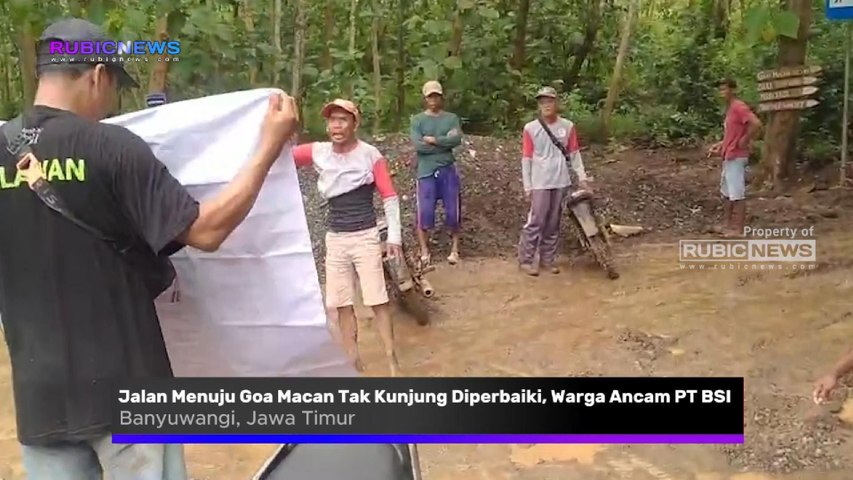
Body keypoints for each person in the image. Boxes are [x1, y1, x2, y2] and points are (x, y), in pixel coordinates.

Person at [0, 18, 298, 480]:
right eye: (115, 86)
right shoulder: (111, 147)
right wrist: (268, 145)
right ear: (98, 74)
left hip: (40, 398)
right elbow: (207, 231)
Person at [292, 99, 403, 377]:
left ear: (355, 124)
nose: (336, 125)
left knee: (377, 300)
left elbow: (389, 195)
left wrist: (394, 237)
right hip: (336, 237)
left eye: (343, 119)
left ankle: (392, 362)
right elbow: (282, 156)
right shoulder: (319, 152)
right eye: (332, 120)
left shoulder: (369, 154)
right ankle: (353, 362)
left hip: (365, 235)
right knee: (340, 303)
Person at [518, 86, 589, 277]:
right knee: (536, 220)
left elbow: (574, 154)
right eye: (542, 102)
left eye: (549, 101)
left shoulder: (567, 126)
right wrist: (527, 185)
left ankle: (547, 260)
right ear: (539, 105)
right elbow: (527, 158)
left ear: (556, 103)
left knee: (553, 222)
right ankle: (526, 260)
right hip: (540, 181)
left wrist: (582, 177)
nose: (546, 105)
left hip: (561, 181)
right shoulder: (531, 129)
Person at [409, 80, 463, 265]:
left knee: (453, 211)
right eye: (430, 95)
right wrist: (443, 143)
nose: (433, 99)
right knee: (425, 213)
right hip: (426, 172)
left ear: (441, 97)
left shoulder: (451, 118)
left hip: (447, 169)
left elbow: (456, 140)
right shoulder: (417, 120)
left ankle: (455, 250)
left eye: (436, 95)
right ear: (425, 98)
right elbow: (418, 146)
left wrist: (433, 140)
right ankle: (425, 251)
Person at [707, 78, 762, 237]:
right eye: (721, 89)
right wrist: (721, 145)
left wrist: (745, 140)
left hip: (737, 156)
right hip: (728, 155)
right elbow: (732, 134)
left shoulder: (738, 106)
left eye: (725, 89)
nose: (723, 92)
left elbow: (756, 124)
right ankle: (727, 225)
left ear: (734, 90)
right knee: (726, 192)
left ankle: (738, 229)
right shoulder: (730, 109)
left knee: (737, 193)